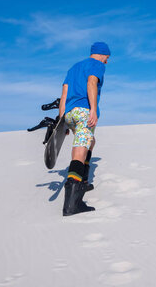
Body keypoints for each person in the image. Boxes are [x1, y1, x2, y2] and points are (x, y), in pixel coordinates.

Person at [59, 41, 110, 216]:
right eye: (107, 58)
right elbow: (91, 83)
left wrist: (62, 121)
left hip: (70, 113)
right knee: (80, 149)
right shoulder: (96, 64)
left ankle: (84, 182)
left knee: (90, 141)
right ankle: (72, 204)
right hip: (83, 111)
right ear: (102, 54)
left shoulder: (74, 68)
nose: (106, 62)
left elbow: (64, 94)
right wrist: (93, 110)